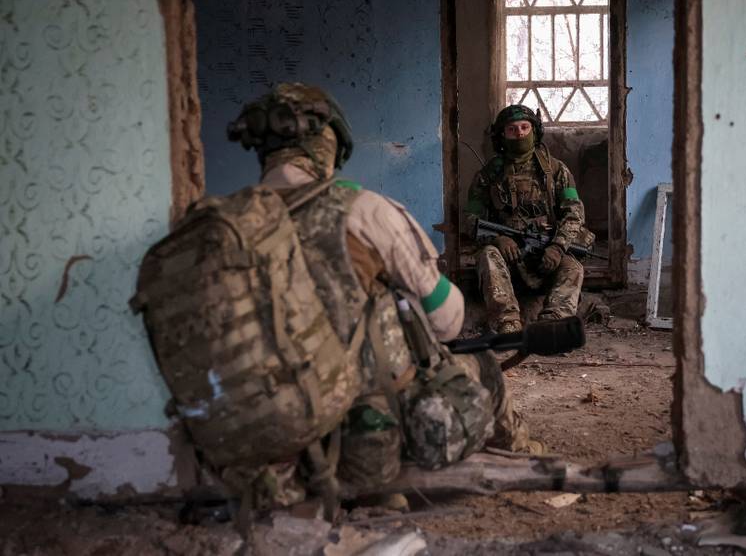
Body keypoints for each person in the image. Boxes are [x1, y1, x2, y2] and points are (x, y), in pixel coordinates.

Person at [225, 83, 538, 509]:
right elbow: (446, 320)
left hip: (257, 435)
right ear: (331, 143)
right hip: (360, 434)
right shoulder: (363, 210)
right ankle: (522, 458)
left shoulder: (226, 224)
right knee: (479, 358)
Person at [465, 105, 588, 334]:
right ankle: (507, 323)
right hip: (509, 257)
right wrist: (498, 239)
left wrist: (557, 247)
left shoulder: (556, 170)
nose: (520, 133)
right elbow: (471, 219)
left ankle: (553, 324)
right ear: (502, 135)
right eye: (512, 129)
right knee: (487, 255)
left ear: (535, 130)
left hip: (545, 252)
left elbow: (574, 213)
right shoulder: (488, 176)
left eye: (524, 127)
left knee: (573, 266)